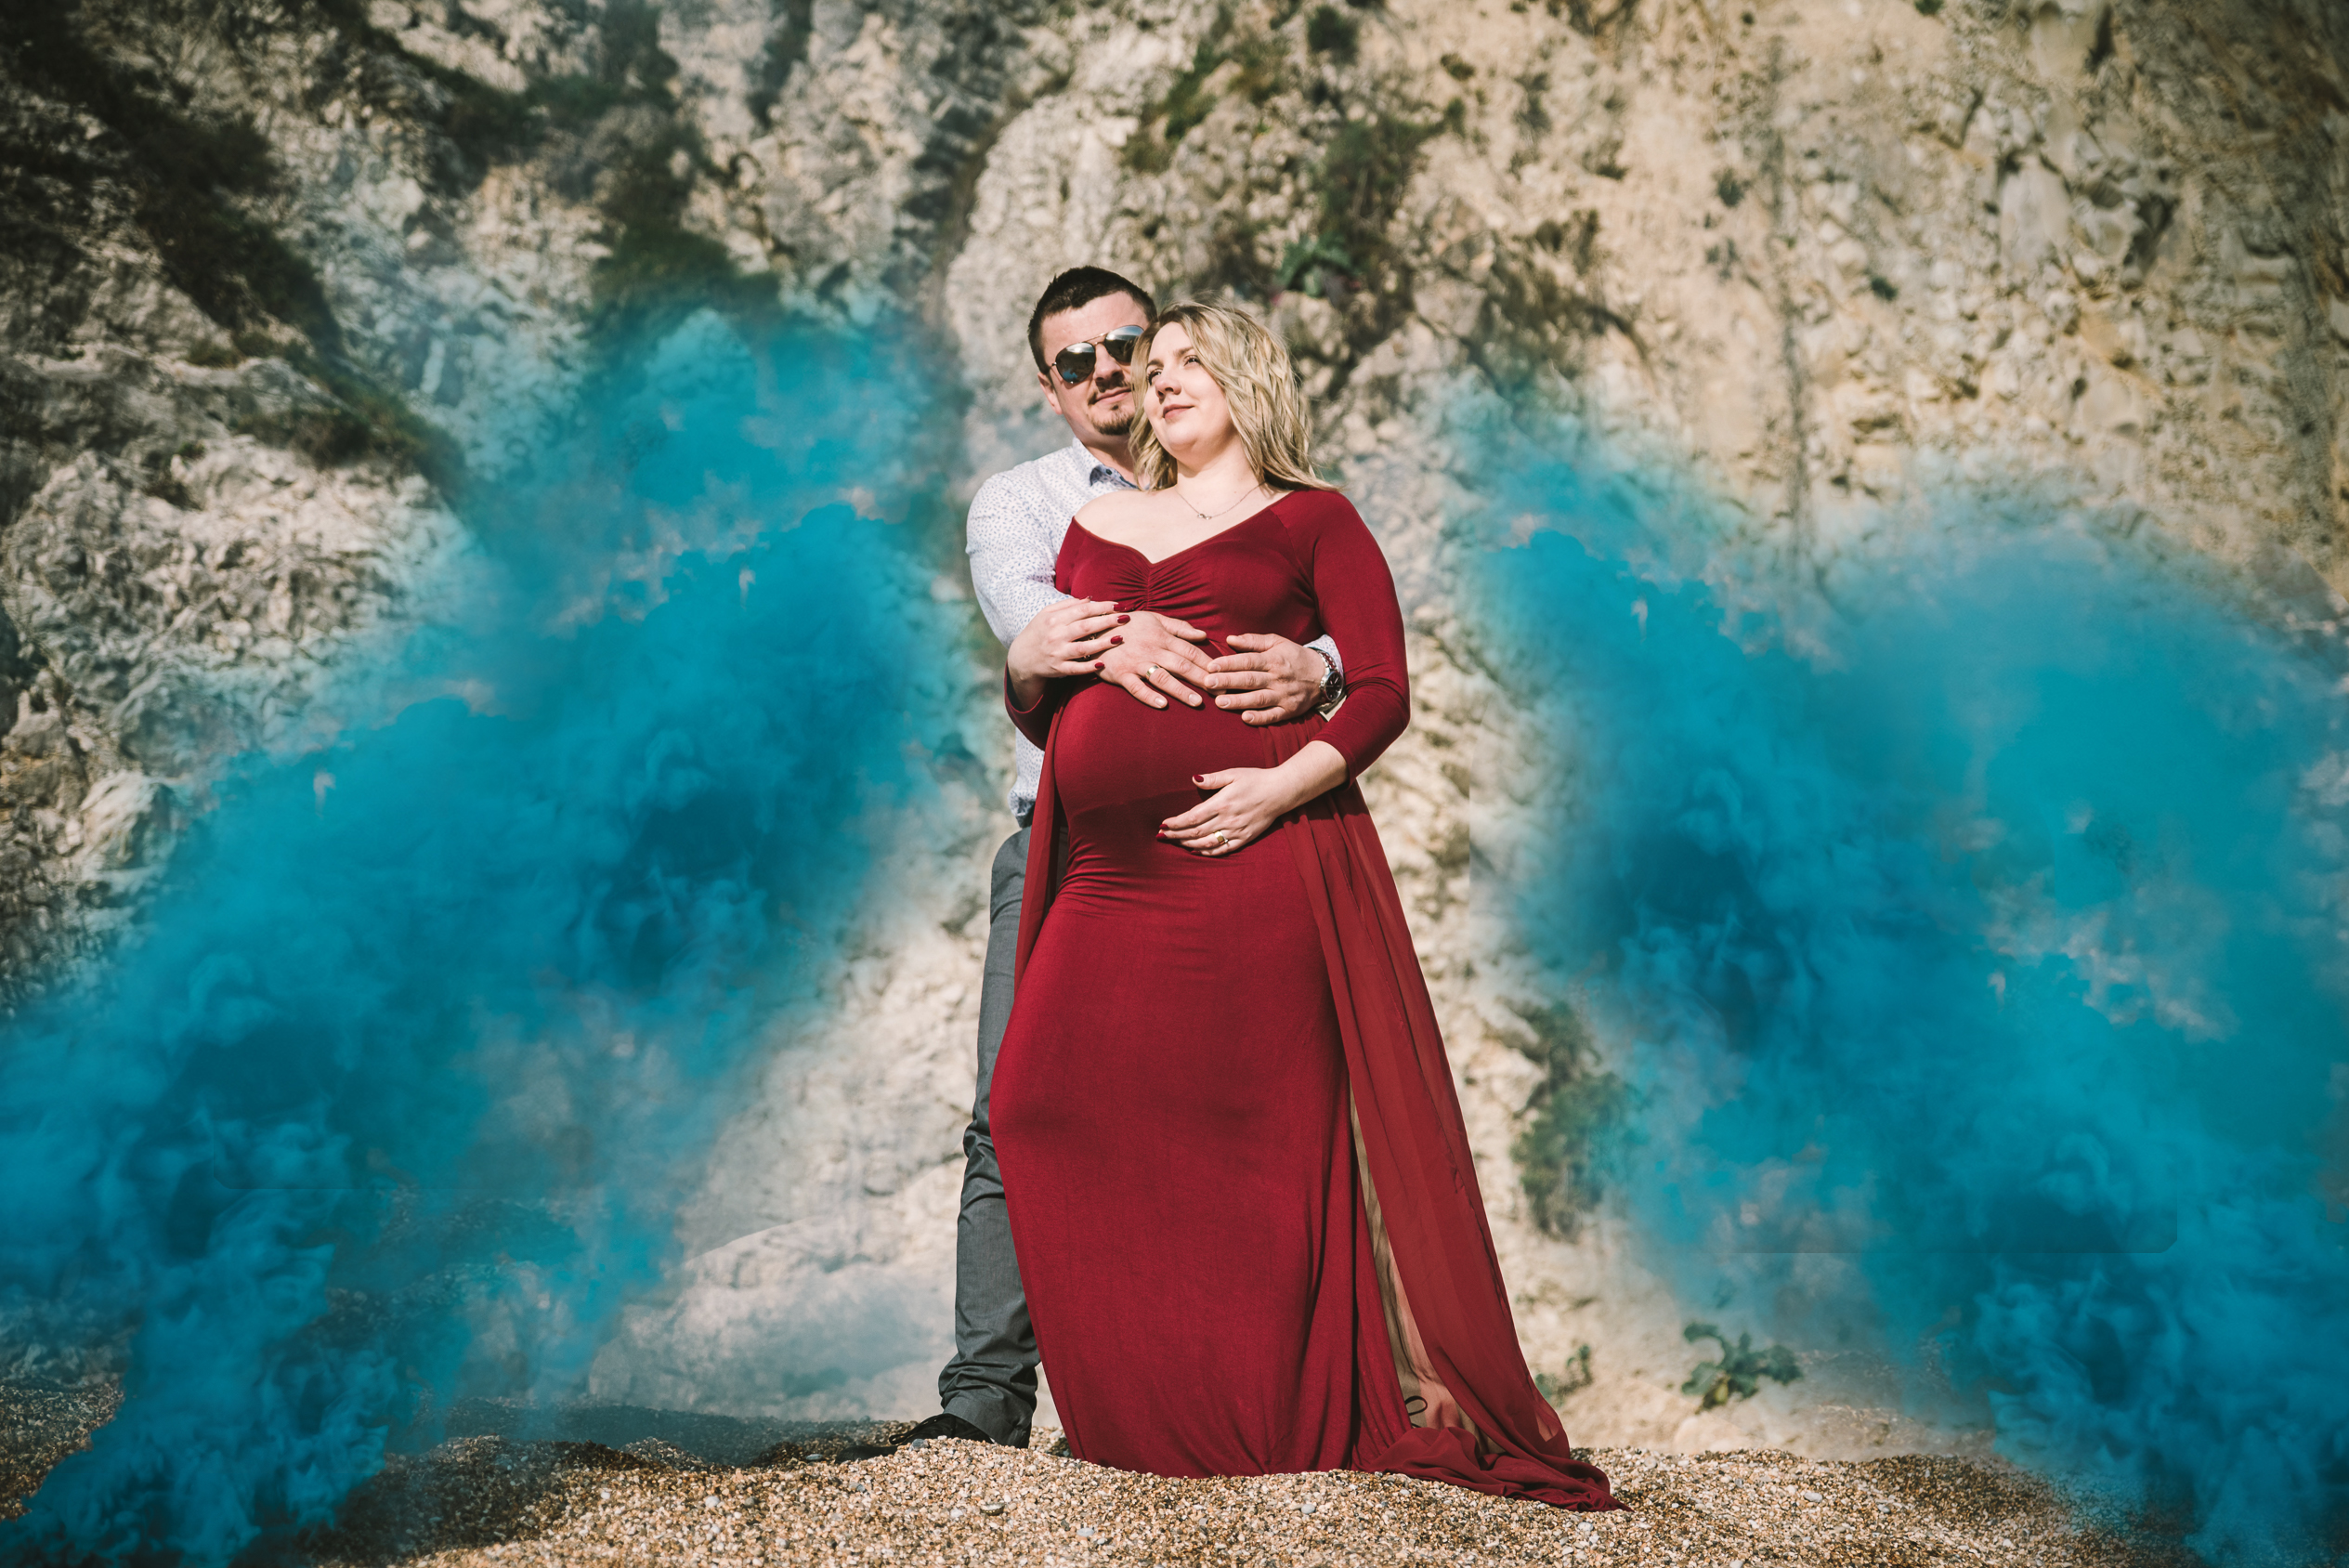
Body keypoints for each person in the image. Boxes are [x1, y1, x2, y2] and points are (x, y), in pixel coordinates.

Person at [986, 301, 1618, 1509]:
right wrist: (1055, 669)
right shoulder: (1096, 521)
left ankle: (1252, 1425)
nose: (1163, 381)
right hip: (1108, 874)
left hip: (1255, 864)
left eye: (1190, 362)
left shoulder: (1316, 519)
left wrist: (1279, 787)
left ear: (1248, 379)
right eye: (1155, 368)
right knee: (1036, 1104)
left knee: (1256, 1149)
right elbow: (1045, 694)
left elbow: (1380, 689)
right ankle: (1133, 1411)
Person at [881, 268, 1346, 1454]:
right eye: (1074, 362)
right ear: (1049, 387)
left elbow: (1342, 619)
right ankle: (988, 1399)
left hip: (1240, 841)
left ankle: (1206, 1404)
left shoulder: (1245, 481)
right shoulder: (1023, 501)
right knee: (1014, 1103)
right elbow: (1037, 624)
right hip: (1071, 853)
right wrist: (1106, 627)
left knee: (1226, 1118)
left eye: (1126, 345)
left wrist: (1323, 666)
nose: (1107, 373)